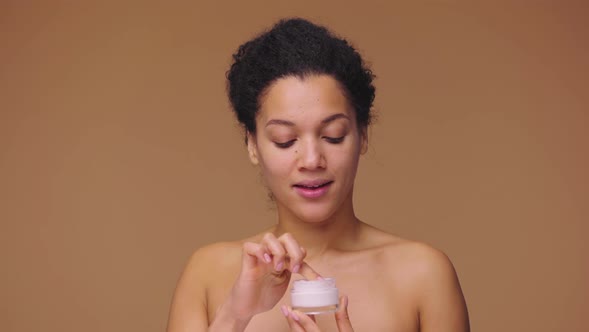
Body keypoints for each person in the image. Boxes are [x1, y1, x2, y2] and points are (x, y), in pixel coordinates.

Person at [166, 18, 470, 332]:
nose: (311, 160)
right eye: (285, 140)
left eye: (333, 136)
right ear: (252, 144)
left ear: (362, 135)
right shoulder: (208, 274)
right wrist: (234, 314)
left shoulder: (424, 275)